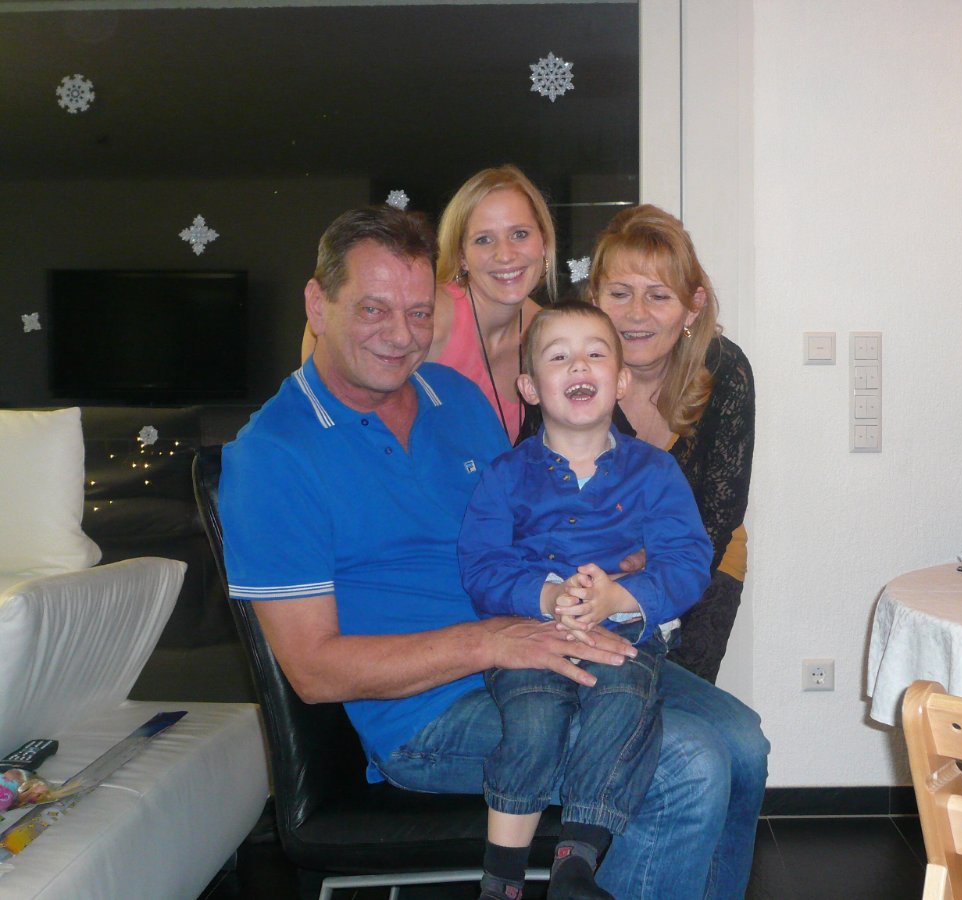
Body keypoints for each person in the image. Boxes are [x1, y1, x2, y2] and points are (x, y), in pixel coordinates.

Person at [222, 204, 768, 900]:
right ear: (316, 304)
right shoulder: (272, 456)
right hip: (430, 707)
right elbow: (313, 671)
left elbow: (531, 518)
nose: (400, 335)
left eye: (419, 313)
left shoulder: (454, 398)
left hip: (550, 638)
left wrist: (618, 564)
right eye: (373, 310)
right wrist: (492, 641)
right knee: (686, 766)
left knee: (742, 743)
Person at [459, 302, 712, 900]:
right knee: (533, 718)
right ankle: (501, 880)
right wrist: (547, 595)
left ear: (620, 381)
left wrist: (620, 594)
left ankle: (576, 862)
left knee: (623, 700)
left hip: (620, 631)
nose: (579, 365)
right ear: (529, 387)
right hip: (529, 631)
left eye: (596, 353)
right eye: (559, 356)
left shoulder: (656, 472)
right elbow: (481, 565)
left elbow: (687, 560)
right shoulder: (504, 475)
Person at [589, 205, 756, 685]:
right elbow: (535, 485)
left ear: (693, 305)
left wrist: (656, 568)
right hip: (593, 560)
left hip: (702, 557)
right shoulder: (570, 367)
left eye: (658, 295)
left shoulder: (724, 369)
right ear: (595, 297)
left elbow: (720, 512)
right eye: (620, 293)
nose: (636, 313)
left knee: (676, 700)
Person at [302, 164, 554, 444]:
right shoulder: (429, 314)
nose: (505, 254)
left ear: (543, 241)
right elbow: (328, 324)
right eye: (484, 239)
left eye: (520, 234)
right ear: (461, 256)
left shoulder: (550, 332)